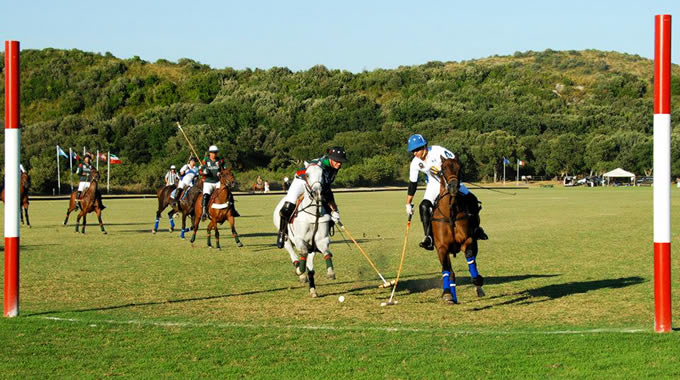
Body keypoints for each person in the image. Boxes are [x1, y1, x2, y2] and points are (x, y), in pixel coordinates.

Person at [405, 134, 488, 250]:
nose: (415, 153)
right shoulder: (415, 163)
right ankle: (429, 237)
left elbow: (455, 162)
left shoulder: (438, 151)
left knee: (472, 200)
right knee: (424, 206)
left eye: (417, 150)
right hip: (434, 185)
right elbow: (412, 183)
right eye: (413, 151)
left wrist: (455, 178)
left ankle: (476, 229)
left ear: (424, 146)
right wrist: (408, 203)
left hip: (451, 182)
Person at [276, 146, 347, 248]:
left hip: (316, 185)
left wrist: (334, 210)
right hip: (301, 181)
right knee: (288, 206)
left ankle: (321, 237)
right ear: (330, 158)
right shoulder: (322, 166)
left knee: (327, 212)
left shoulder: (334, 167)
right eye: (337, 161)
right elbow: (326, 190)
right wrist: (334, 208)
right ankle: (282, 232)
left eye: (341, 161)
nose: (339, 163)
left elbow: (327, 190)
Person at [200, 145, 239, 220]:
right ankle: (204, 212)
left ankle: (233, 210)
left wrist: (221, 173)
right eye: (212, 153)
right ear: (209, 153)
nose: (214, 154)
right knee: (206, 195)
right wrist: (204, 172)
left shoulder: (220, 161)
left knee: (229, 194)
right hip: (208, 182)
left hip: (218, 181)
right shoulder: (205, 160)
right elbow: (200, 171)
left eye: (215, 153)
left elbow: (225, 170)